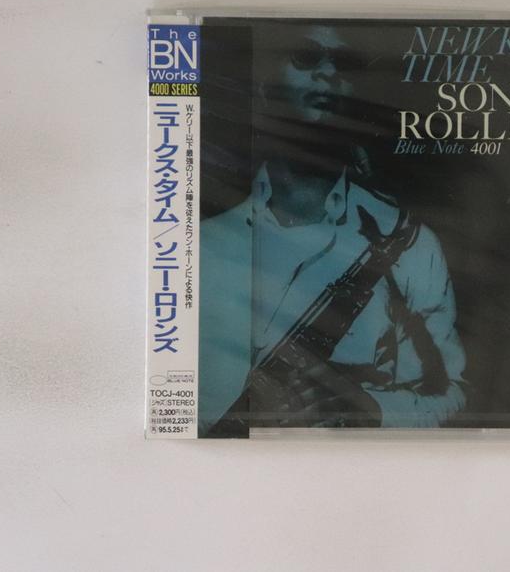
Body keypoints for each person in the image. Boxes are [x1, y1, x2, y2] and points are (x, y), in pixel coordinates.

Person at [198, 24, 466, 435]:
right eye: (305, 57)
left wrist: (369, 410)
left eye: (344, 63)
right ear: (263, 86)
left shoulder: (410, 241)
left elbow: (454, 394)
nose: (328, 73)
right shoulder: (199, 246)